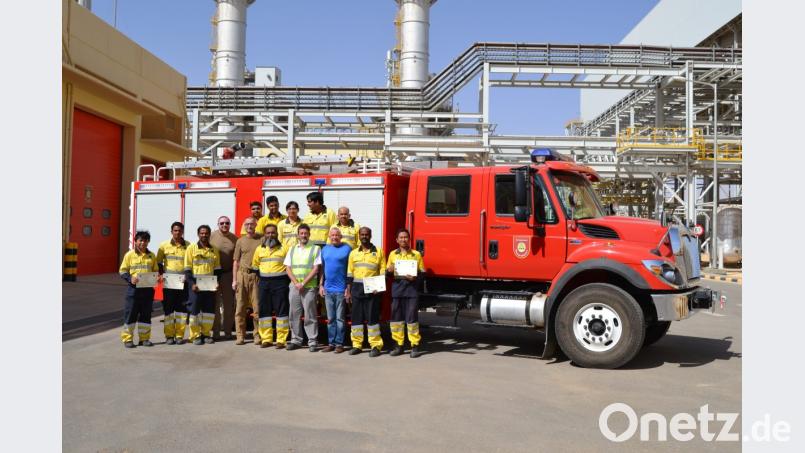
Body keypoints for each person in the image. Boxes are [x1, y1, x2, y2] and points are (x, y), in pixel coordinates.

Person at [346, 226, 386, 357]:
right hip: (357, 288)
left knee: (372, 318)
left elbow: (382, 271)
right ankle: (357, 345)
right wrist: (348, 290)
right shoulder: (353, 253)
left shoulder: (379, 252)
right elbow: (350, 273)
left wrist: (379, 288)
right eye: (362, 234)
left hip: (372, 289)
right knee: (356, 319)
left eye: (366, 234)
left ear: (370, 235)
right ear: (359, 235)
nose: (364, 236)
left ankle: (375, 345)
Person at [386, 228, 426, 358]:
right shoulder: (392, 254)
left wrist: (415, 278)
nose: (403, 239)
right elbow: (388, 274)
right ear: (397, 240)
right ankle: (399, 346)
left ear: (409, 239)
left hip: (411, 291)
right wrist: (390, 271)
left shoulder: (416, 254)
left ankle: (415, 346)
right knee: (396, 320)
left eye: (406, 237)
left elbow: (422, 274)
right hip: (397, 291)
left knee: (412, 320)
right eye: (401, 237)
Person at [251, 224, 290, 348]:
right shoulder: (259, 249)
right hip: (264, 283)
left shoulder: (285, 248)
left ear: (277, 234)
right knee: (264, 311)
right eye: (268, 233)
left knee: (281, 311)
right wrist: (264, 277)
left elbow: (289, 266)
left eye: (273, 233)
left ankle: (281, 340)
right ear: (264, 234)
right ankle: (266, 339)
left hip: (280, 282)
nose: (270, 235)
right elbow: (255, 267)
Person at [285, 224, 322, 352]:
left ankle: (312, 341)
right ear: (298, 235)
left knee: (310, 315)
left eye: (306, 233)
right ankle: (296, 340)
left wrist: (303, 283)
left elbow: (316, 269)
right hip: (294, 287)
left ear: (309, 234)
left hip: (309, 286)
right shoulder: (292, 249)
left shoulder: (315, 248)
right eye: (301, 233)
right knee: (294, 314)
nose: (304, 235)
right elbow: (288, 268)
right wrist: (296, 283)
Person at [119, 231, 159, 348]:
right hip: (133, 291)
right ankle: (128, 339)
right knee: (130, 315)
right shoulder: (129, 255)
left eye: (145, 240)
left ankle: (144, 339)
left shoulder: (151, 256)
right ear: (136, 241)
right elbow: (122, 271)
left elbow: (155, 270)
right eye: (140, 240)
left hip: (147, 291)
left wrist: (158, 276)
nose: (143, 243)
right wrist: (130, 278)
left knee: (145, 315)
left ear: (148, 242)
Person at [184, 225, 222, 345]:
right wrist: (192, 284)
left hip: (209, 284)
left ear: (209, 234)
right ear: (198, 234)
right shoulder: (191, 249)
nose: (204, 235)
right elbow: (187, 269)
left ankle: (206, 334)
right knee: (194, 310)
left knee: (209, 311)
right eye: (202, 233)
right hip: (196, 284)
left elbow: (217, 269)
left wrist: (216, 283)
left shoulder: (214, 250)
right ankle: (195, 336)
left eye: (206, 233)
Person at [156, 222, 190, 345]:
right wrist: (160, 274)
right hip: (169, 282)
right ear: (171, 232)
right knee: (168, 310)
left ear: (182, 232)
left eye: (180, 231)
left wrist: (187, 276)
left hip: (182, 282)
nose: (177, 233)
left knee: (181, 310)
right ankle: (169, 336)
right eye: (175, 230)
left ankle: (180, 336)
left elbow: (190, 264)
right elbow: (159, 263)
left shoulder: (188, 246)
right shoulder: (163, 245)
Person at [319, 227, 351, 353]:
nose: (334, 237)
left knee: (340, 319)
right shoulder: (325, 249)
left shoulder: (347, 249)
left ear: (341, 236)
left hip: (341, 290)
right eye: (332, 235)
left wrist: (348, 288)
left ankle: (339, 344)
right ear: (329, 236)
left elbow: (350, 270)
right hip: (328, 289)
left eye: (337, 235)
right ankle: (331, 343)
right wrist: (321, 285)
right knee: (331, 318)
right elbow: (322, 269)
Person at [232, 217, 262, 345]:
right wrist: (234, 280)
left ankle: (257, 335)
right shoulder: (240, 241)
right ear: (244, 226)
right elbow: (236, 262)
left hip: (256, 276)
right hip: (242, 275)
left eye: (252, 224)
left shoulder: (261, 239)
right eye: (247, 224)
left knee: (257, 308)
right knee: (240, 307)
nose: (249, 226)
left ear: (256, 225)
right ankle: (240, 335)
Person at [211, 216, 238, 340]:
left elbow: (237, 259)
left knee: (228, 305)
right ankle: (215, 331)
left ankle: (227, 331)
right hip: (213, 275)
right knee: (215, 304)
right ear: (218, 224)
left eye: (227, 223)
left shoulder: (234, 239)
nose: (224, 225)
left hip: (228, 275)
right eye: (222, 223)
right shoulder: (211, 236)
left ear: (230, 224)